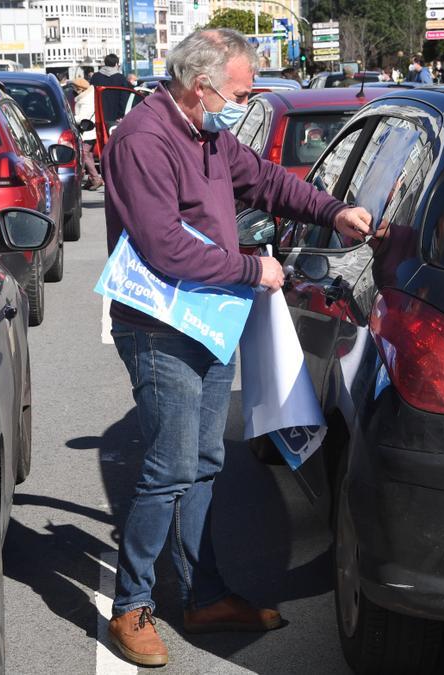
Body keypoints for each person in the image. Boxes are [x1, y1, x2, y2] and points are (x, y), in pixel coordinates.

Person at [100, 27, 374, 667]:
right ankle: (129, 606)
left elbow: (269, 183)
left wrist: (332, 211)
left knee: (202, 464)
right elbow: (163, 244)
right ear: (200, 87)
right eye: (239, 93)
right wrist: (254, 271)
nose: (243, 104)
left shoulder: (209, 133)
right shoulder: (143, 139)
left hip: (211, 318)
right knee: (168, 469)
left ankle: (203, 594)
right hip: (161, 327)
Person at [72, 77, 103, 190]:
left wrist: (72, 118)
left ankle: (95, 178)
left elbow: (82, 117)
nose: (73, 90)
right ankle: (91, 179)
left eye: (74, 87)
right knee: (88, 154)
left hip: (88, 131)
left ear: (79, 89)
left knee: (84, 153)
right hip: (92, 130)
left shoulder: (85, 100)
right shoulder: (90, 96)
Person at [89, 53, 129, 124]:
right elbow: (124, 99)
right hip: (115, 117)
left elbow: (90, 95)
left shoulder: (95, 77)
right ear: (116, 64)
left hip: (98, 115)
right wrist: (121, 115)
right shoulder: (121, 78)